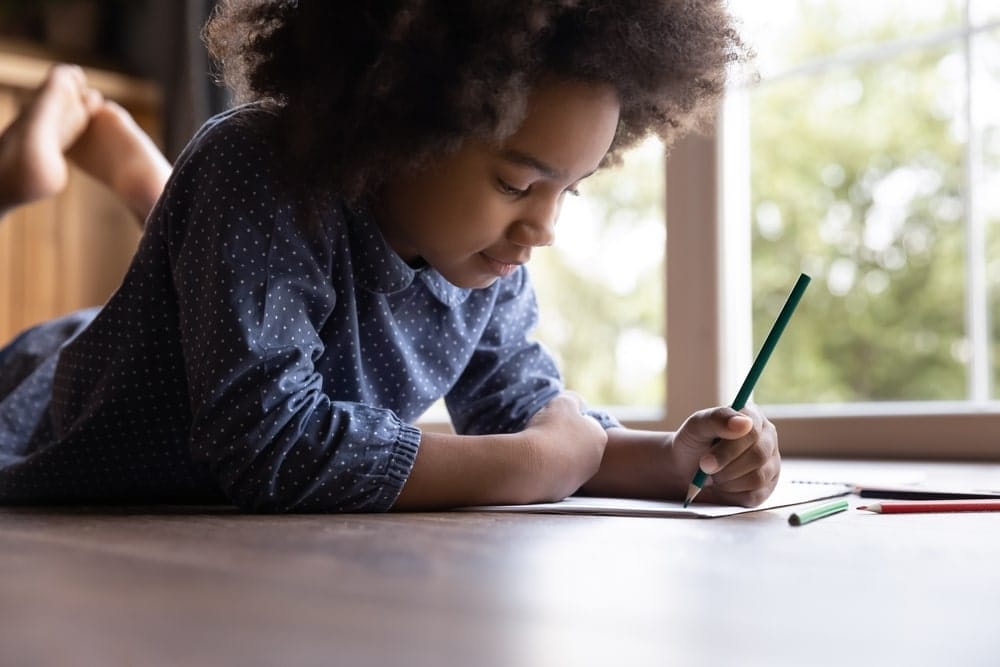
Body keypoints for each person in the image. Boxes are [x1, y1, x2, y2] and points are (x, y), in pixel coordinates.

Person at [0, 0, 779, 513]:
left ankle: (127, 163)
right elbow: (270, 443)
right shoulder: (255, 165)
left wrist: (675, 461)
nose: (543, 228)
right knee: (220, 224)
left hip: (210, 316)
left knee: (220, 256)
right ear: (404, 117)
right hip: (47, 391)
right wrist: (536, 466)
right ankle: (65, 138)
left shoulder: (486, 252)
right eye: (517, 182)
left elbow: (528, 415)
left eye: (566, 191)